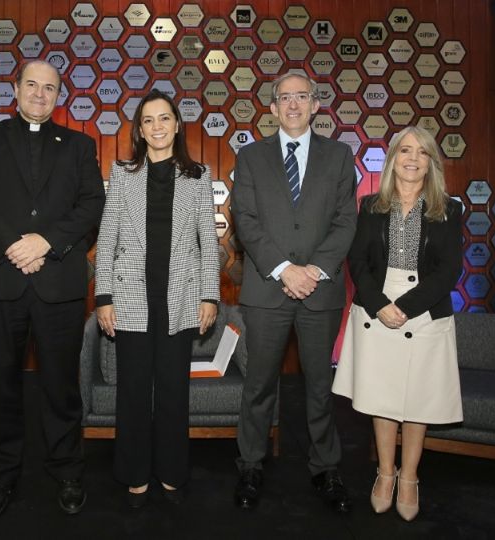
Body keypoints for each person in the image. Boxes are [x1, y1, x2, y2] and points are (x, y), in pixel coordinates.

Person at [0, 60, 105, 520]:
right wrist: (12, 246)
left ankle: (67, 471)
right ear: (15, 89)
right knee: (0, 386)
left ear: (59, 96)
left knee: (62, 387)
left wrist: (47, 242)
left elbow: (91, 204)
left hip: (58, 283)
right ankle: (0, 477)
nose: (40, 94)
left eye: (50, 88)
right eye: (32, 85)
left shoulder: (80, 146)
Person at [231, 72, 358, 512]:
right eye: (284, 98)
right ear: (271, 107)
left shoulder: (340, 157)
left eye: (301, 96)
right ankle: (250, 465)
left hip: (320, 292)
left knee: (320, 386)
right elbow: (245, 219)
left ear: (316, 104)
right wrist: (285, 269)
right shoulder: (250, 157)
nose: (293, 105)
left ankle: (325, 468)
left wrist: (315, 270)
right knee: (259, 385)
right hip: (267, 289)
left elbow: (346, 221)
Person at [94, 89, 220, 508]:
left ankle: (171, 469)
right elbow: (107, 238)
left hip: (181, 298)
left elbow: (208, 243)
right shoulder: (122, 174)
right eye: (148, 120)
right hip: (130, 297)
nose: (157, 127)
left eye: (164, 118)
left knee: (171, 391)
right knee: (132, 390)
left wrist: (210, 296)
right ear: (140, 130)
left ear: (176, 125)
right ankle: (132, 470)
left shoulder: (198, 177)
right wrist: (103, 297)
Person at [332, 126, 464, 521]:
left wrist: (404, 306)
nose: (412, 158)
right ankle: (385, 473)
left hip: (425, 311)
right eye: (404, 150)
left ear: (431, 163)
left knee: (418, 399)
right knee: (383, 397)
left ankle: (409, 478)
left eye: (421, 152)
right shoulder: (371, 204)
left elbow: (450, 270)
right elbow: (358, 262)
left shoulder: (450, 208)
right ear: (391, 159)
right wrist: (378, 304)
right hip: (375, 310)